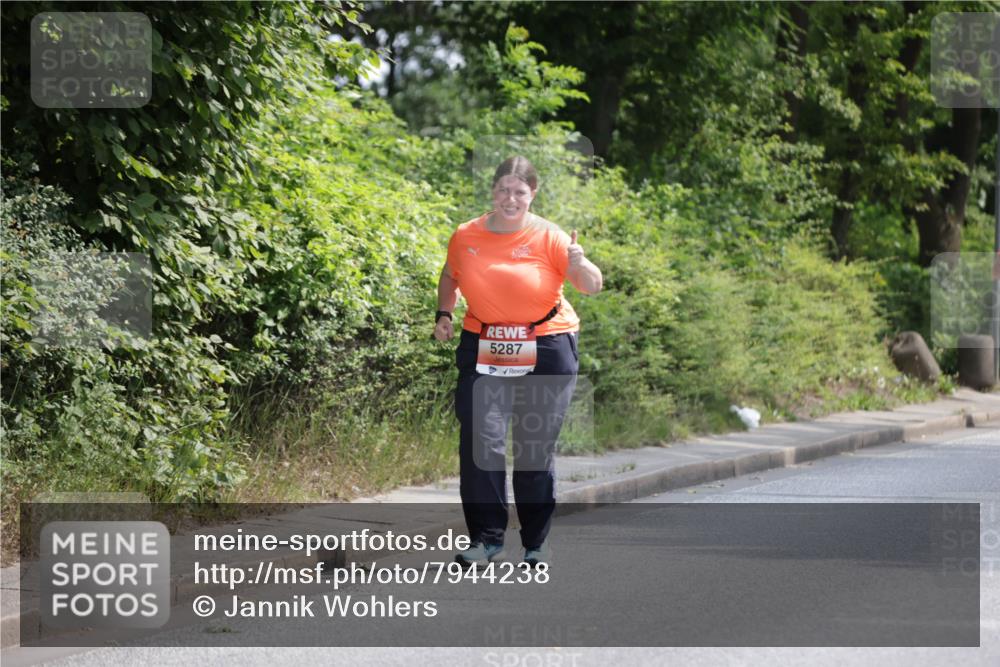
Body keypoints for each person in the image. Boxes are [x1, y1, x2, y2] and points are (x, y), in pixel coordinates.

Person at [433, 155, 603, 568]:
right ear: (492, 191)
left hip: (545, 344)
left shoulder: (551, 237)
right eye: (503, 190)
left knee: (533, 448)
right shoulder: (466, 234)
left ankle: (535, 544)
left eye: (519, 192)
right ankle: (486, 540)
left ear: (533, 194)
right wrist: (444, 314)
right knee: (481, 442)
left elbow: (591, 286)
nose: (510, 199)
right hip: (484, 341)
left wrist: (580, 263)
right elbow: (450, 275)